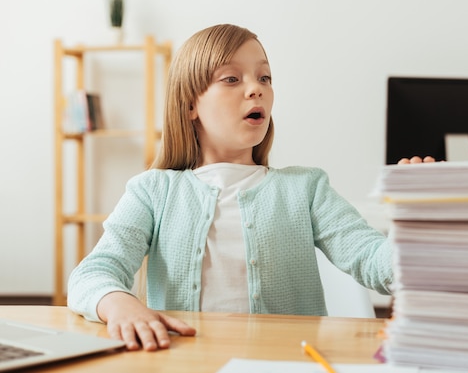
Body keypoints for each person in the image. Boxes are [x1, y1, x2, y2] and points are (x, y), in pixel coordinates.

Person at [67, 24, 433, 351]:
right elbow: (92, 274)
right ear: (191, 103)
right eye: (231, 79)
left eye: (265, 78)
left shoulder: (306, 188)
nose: (256, 89)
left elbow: (374, 264)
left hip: (286, 362)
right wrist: (118, 302)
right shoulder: (152, 191)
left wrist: (423, 222)